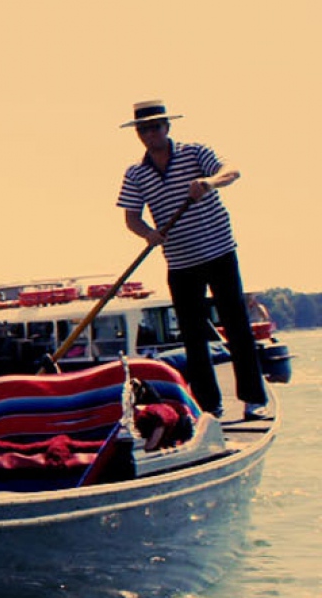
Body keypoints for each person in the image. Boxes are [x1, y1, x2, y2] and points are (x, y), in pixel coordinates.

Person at [115, 99, 269, 421]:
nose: (150, 133)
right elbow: (131, 217)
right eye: (144, 128)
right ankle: (209, 405)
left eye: (156, 126)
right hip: (181, 262)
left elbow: (233, 171)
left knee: (237, 325)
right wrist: (149, 234)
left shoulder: (195, 152)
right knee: (193, 335)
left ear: (167, 127)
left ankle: (254, 399)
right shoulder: (136, 173)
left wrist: (208, 182)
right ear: (138, 134)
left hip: (219, 252)